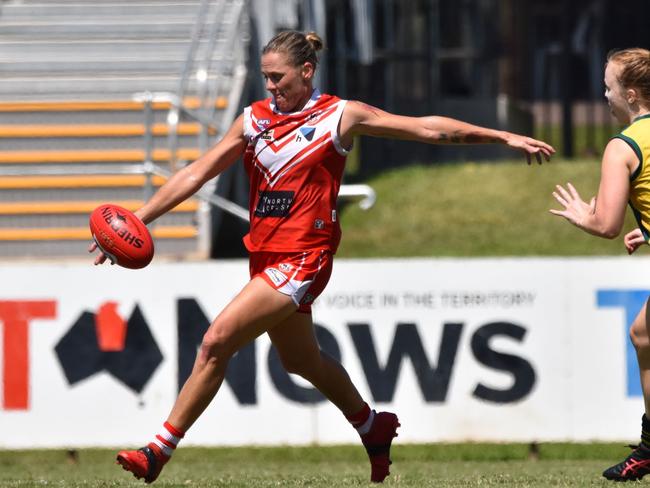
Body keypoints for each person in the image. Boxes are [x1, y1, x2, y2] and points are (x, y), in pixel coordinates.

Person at [92, 30, 555, 484]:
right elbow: (196, 173)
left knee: (217, 341)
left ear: (307, 71)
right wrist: (140, 218)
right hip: (264, 257)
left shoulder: (340, 116)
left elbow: (427, 128)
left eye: (279, 77)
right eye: (266, 78)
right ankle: (371, 424)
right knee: (301, 361)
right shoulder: (253, 120)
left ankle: (158, 450)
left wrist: (500, 137)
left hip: (304, 258)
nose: (271, 87)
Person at [550, 47, 650, 482]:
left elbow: (607, 224)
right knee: (643, 333)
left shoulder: (622, 146)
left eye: (608, 87)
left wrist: (582, 216)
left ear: (629, 94)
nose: (603, 95)